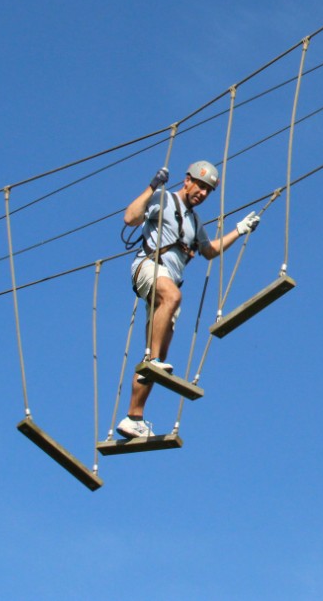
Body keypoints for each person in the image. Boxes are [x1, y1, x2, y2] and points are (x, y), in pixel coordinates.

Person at [116, 160, 259, 440]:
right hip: (149, 267)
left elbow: (209, 250)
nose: (202, 194)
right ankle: (152, 360)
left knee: (158, 352)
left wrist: (239, 230)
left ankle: (133, 417)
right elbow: (130, 218)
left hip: (168, 279)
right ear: (187, 181)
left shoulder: (195, 222)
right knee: (173, 297)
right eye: (200, 186)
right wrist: (152, 186)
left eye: (208, 191)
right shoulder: (163, 199)